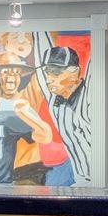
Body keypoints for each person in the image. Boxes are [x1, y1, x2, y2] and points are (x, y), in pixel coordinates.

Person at [32, 39, 94, 186]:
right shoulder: (55, 100)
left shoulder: (90, 96)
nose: (48, 80)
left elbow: (95, 63)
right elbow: (40, 41)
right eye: (48, 73)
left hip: (101, 180)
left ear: (74, 74)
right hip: (79, 180)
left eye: (55, 73)